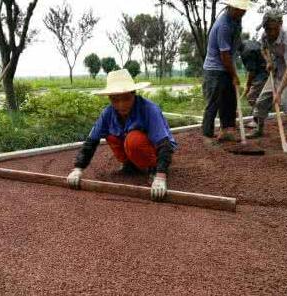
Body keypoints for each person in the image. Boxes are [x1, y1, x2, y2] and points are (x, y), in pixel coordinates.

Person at [66, 69, 177, 201]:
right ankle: (130, 165)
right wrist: (78, 168)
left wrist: (160, 175)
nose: (121, 105)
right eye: (115, 100)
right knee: (111, 136)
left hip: (156, 148)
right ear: (109, 99)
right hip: (130, 144)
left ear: (133, 94)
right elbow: (91, 141)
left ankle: (153, 167)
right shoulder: (108, 113)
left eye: (125, 98)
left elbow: (164, 144)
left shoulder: (149, 109)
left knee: (133, 139)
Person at [247, 9, 287, 151]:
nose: (270, 32)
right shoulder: (265, 35)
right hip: (278, 63)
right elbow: (264, 49)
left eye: (273, 29)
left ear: (280, 25)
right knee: (262, 100)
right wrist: (268, 61)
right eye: (267, 28)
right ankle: (258, 129)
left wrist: (279, 92)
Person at [202, 0, 250, 142]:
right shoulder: (223, 26)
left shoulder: (236, 20)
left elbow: (235, 44)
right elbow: (225, 55)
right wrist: (234, 75)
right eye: (240, 10)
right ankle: (207, 135)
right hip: (215, 69)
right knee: (214, 102)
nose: (242, 12)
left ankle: (226, 131)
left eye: (244, 10)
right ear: (231, 7)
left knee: (229, 100)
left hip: (227, 65)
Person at [239, 39, 269, 128]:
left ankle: (257, 121)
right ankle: (257, 119)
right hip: (265, 69)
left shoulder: (247, 52)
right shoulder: (249, 42)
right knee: (257, 97)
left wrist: (248, 86)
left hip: (263, 72)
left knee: (252, 97)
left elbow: (251, 71)